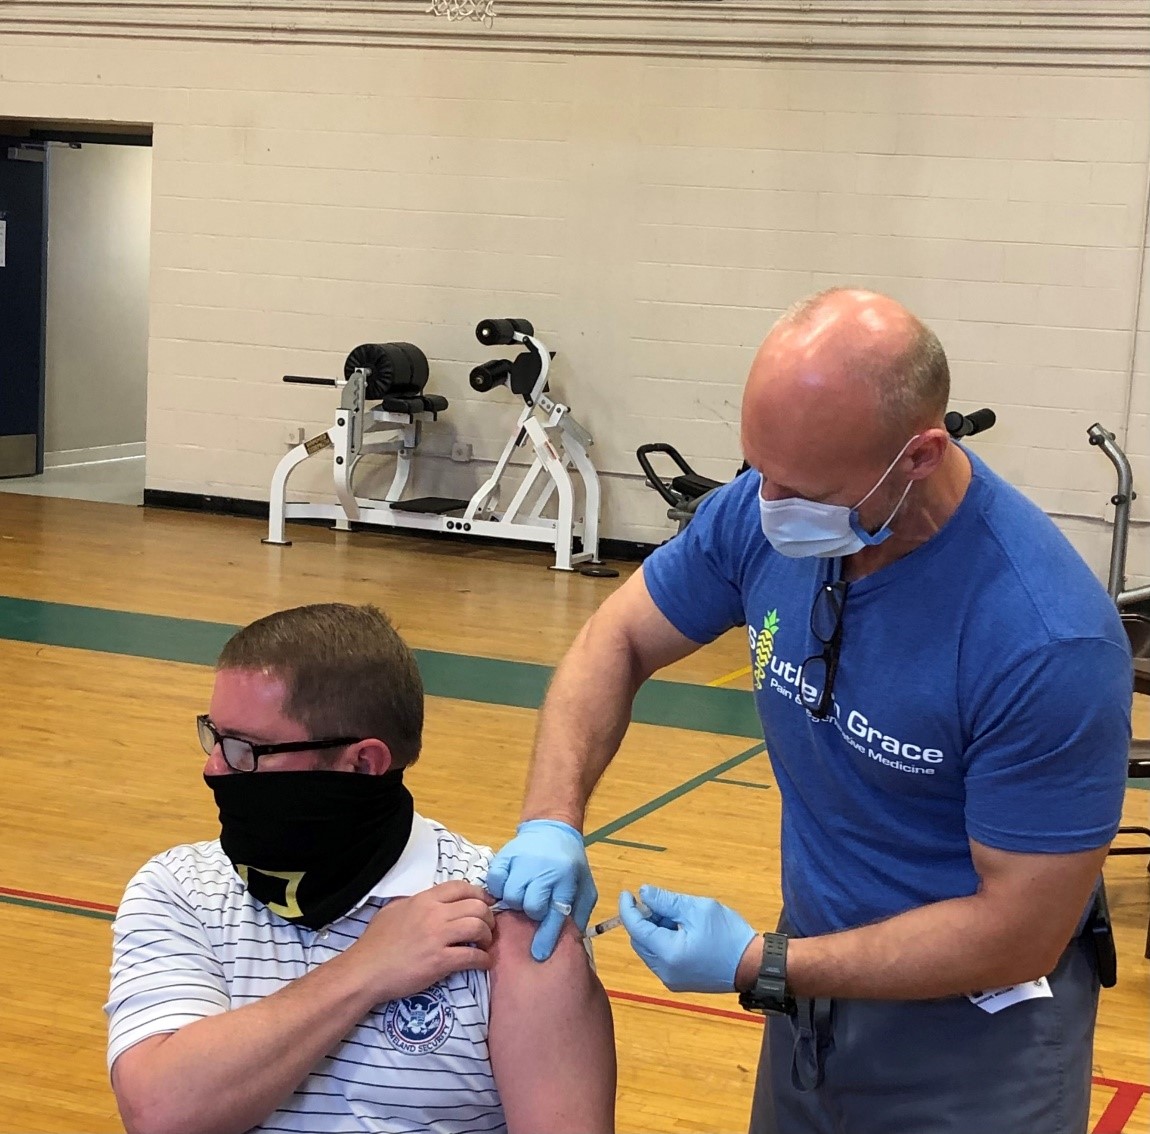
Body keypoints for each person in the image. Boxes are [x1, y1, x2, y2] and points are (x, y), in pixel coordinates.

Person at [485, 288, 1132, 1133]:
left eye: (807, 488)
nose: (768, 506)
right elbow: (617, 642)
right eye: (760, 469)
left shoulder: (1044, 640)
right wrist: (551, 820)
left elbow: (1017, 933)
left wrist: (761, 962)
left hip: (979, 1043)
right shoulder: (761, 515)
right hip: (814, 1005)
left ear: (920, 456)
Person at [105, 602, 615, 1134]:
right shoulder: (181, 890)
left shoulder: (507, 918)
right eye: (215, 736)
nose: (214, 767)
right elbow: (159, 1112)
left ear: (363, 763)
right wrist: (367, 968)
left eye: (245, 748)